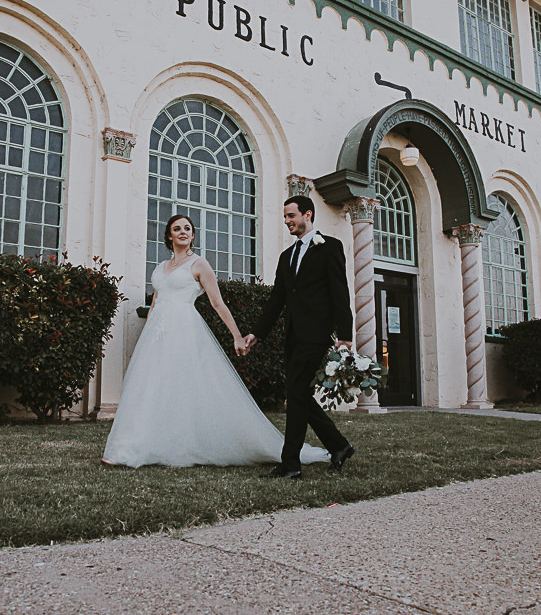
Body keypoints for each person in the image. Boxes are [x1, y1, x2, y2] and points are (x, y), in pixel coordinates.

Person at [101, 214, 329, 468]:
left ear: (193, 235)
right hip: (157, 335)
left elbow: (217, 303)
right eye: (177, 229)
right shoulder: (160, 267)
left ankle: (183, 444)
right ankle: (132, 447)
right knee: (151, 388)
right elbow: (155, 303)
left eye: (187, 228)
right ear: (169, 236)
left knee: (184, 387)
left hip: (185, 330)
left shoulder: (199, 265)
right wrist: (148, 336)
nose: (183, 232)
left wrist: (236, 336)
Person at [244, 196, 356, 480]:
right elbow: (276, 300)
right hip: (293, 336)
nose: (287, 221)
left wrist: (345, 335)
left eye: (291, 215)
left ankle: (291, 463)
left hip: (316, 335)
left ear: (308, 214)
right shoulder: (287, 257)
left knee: (295, 394)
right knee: (299, 395)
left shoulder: (330, 247)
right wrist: (258, 332)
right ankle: (339, 445)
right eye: (285, 217)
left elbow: (340, 292)